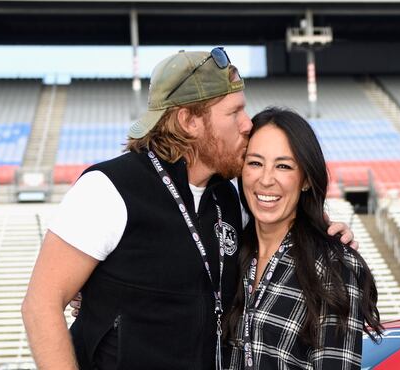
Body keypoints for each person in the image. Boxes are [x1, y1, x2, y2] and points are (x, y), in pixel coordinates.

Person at [22, 49, 355, 370]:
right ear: (189, 121)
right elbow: (41, 305)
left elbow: (280, 230)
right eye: (234, 112)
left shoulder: (229, 197)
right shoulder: (107, 188)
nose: (247, 124)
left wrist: (326, 233)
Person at [224, 107, 383, 369]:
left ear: (306, 180)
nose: (265, 179)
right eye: (255, 163)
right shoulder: (228, 253)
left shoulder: (332, 266)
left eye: (283, 166)